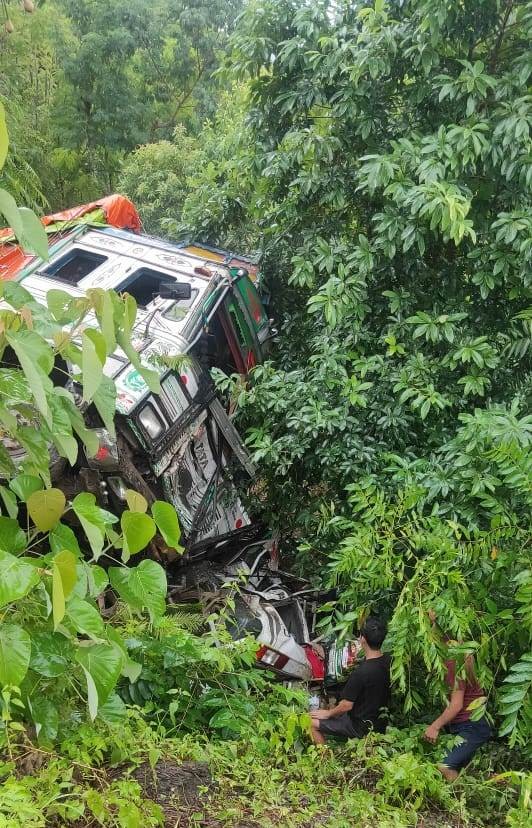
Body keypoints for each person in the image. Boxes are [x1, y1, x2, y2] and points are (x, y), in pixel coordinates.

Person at [424, 611, 491, 781]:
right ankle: (462, 801)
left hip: (472, 725)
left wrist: (435, 726)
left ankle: (456, 806)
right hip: (468, 725)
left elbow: (456, 704)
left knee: (445, 766)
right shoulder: (462, 651)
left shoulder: (454, 660)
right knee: (457, 769)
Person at [310, 616, 390, 744]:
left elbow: (346, 706)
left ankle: (324, 759)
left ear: (362, 639)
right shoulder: (388, 661)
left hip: (360, 727)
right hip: (379, 724)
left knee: (311, 723)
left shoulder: (361, 672)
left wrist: (328, 713)